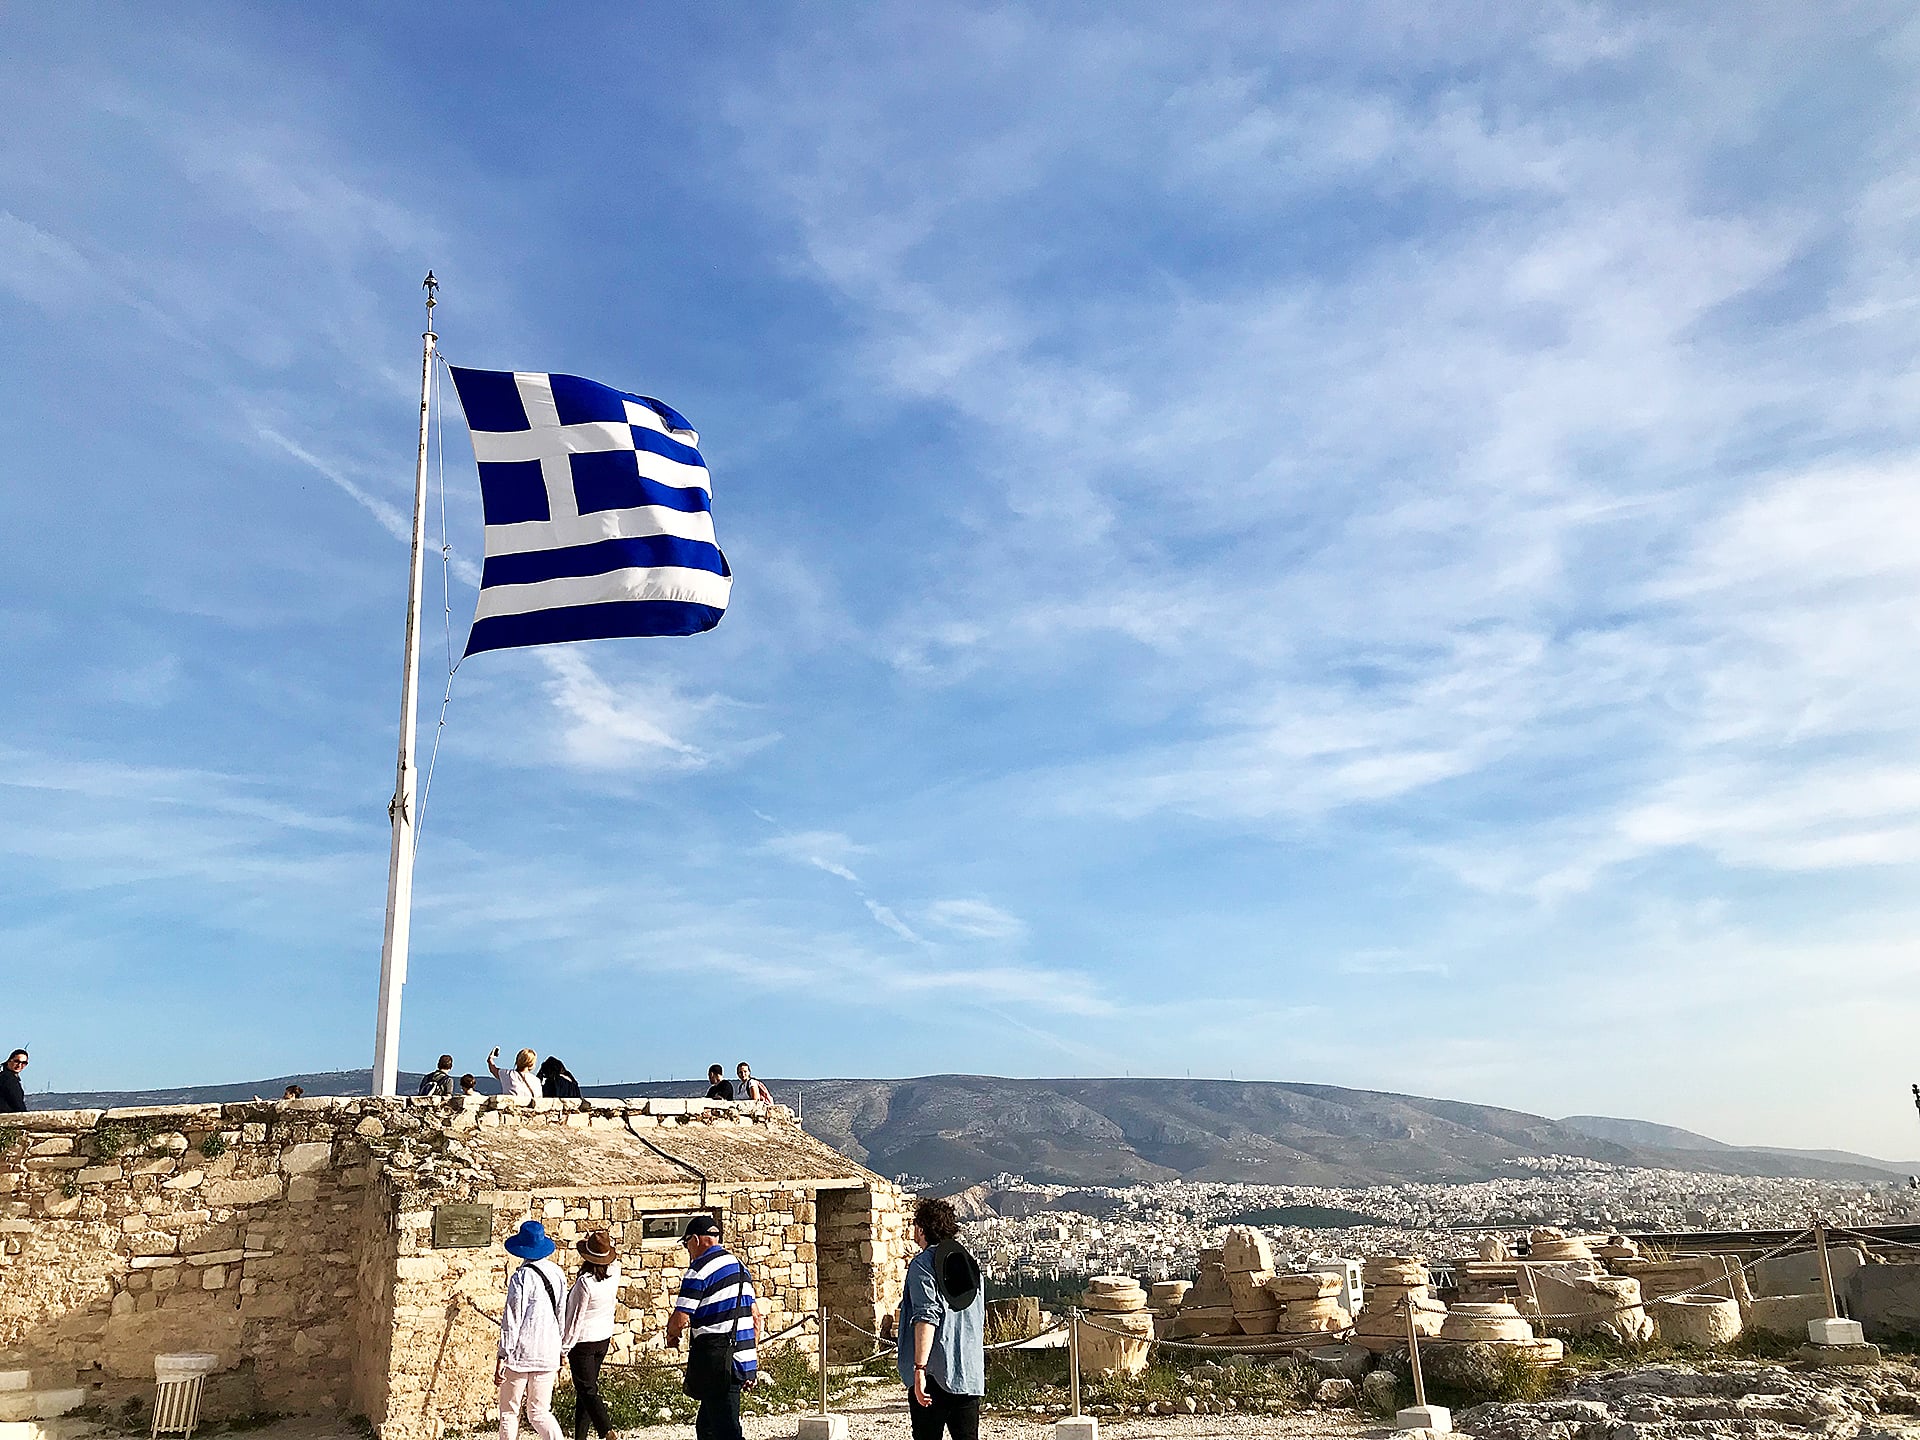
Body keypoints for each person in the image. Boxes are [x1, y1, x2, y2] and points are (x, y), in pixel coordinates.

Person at [897, 1197, 984, 1440]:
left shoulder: (923, 1265)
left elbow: (926, 1317)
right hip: (968, 1371)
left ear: (922, 1228)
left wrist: (919, 1369)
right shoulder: (968, 1262)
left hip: (935, 1372)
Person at [665, 1216, 756, 1440]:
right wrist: (750, 1360)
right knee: (707, 1428)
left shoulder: (699, 1269)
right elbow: (756, 1317)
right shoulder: (740, 1267)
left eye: (686, 1243)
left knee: (727, 1431)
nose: (687, 1250)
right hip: (740, 1357)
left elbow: (681, 1317)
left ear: (695, 1240)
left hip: (716, 1361)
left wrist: (672, 1335)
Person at [496, 1220, 566, 1440]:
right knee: (539, 1412)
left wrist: (503, 1353)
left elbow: (512, 1319)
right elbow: (561, 1313)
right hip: (548, 1350)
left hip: (521, 1352)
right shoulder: (557, 1274)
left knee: (509, 1411)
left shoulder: (521, 1277)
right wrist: (561, 1348)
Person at [561, 1231, 622, 1440]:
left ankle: (606, 1429)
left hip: (583, 1341)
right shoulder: (615, 1273)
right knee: (586, 1390)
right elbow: (614, 1261)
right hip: (603, 1337)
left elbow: (575, 1319)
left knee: (587, 1390)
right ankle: (580, 1435)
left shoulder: (584, 1284)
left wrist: (564, 1347)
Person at [0, 1049, 26, 1114]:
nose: (19, 1065)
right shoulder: (8, 1078)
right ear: (9, 1061)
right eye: (17, 1061)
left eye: (24, 1063)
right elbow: (17, 1102)